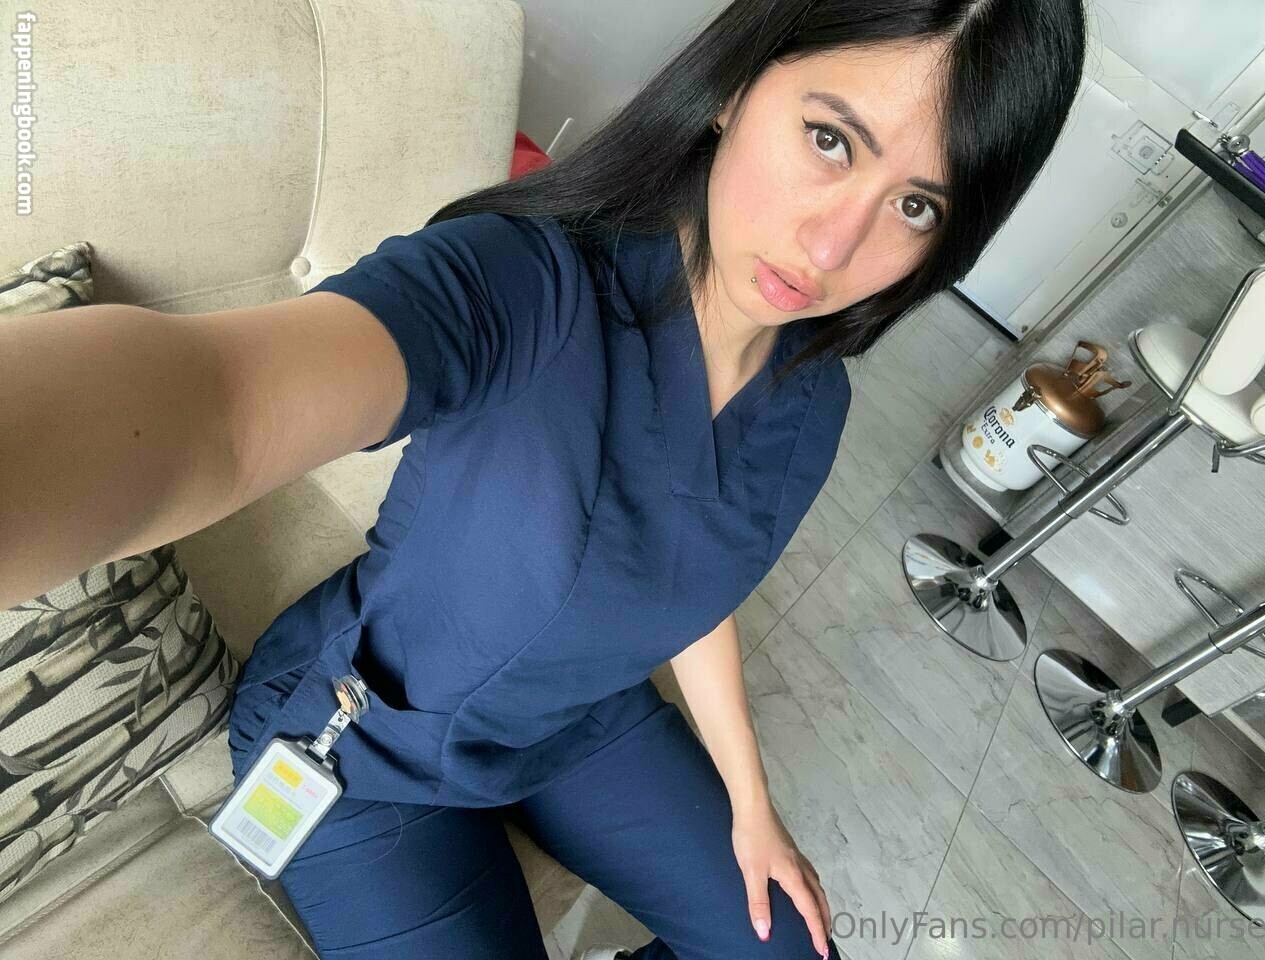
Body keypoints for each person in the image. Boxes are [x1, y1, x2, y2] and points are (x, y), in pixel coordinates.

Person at [3, 1, 1086, 957]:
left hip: (576, 723)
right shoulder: (529, 285)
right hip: (364, 743)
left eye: (915, 205)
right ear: (734, 88)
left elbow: (688, 573)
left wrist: (750, 804)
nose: (835, 242)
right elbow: (221, 411)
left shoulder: (811, 398)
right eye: (829, 138)